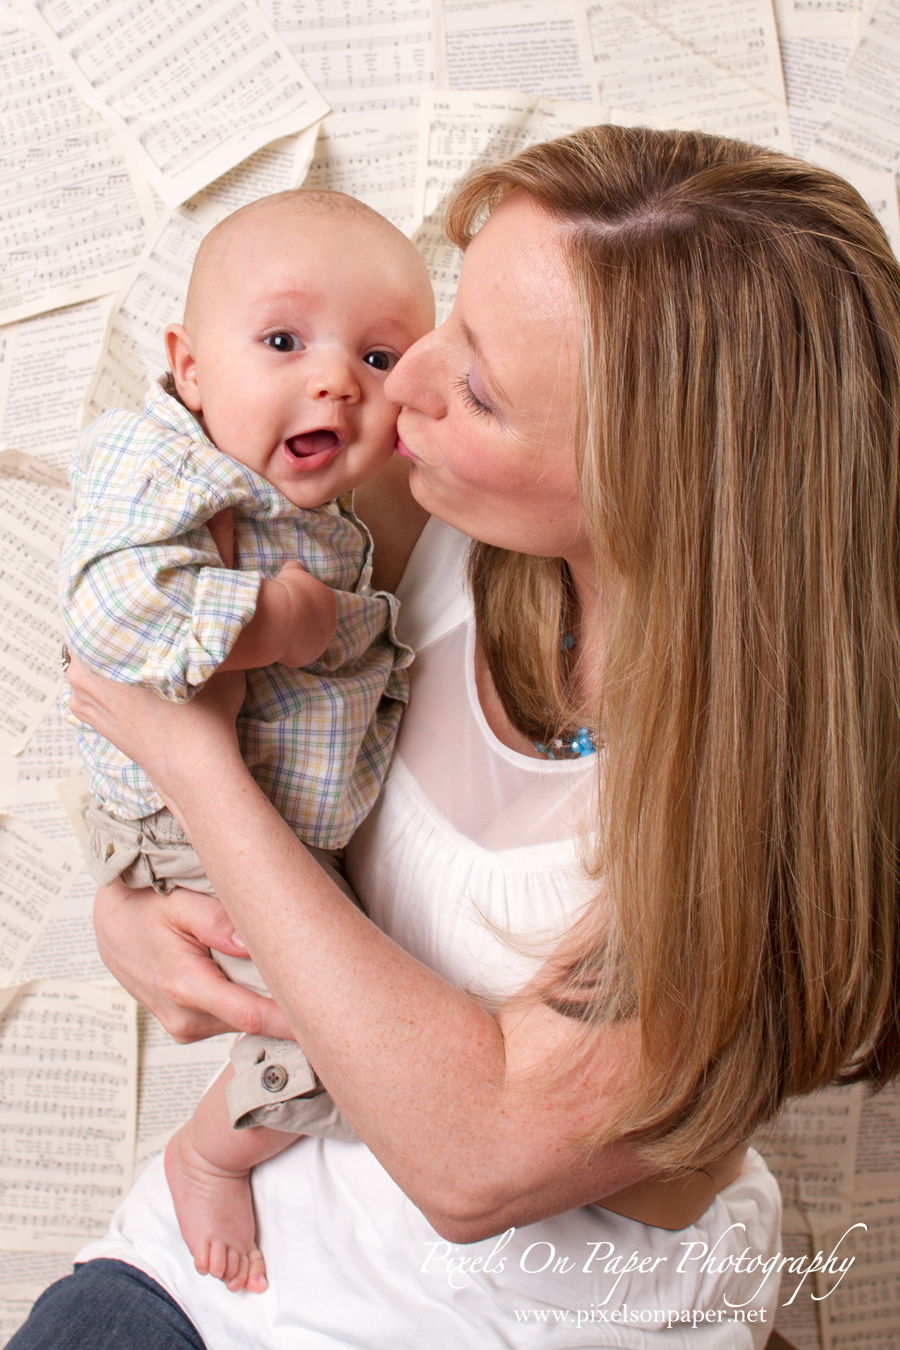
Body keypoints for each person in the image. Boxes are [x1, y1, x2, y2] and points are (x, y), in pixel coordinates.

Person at [18, 125, 900, 1349]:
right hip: (262, 1222)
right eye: (449, 318)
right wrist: (137, 914)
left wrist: (193, 767)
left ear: (659, 486)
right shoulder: (423, 502)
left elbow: (472, 1165)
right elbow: (132, 616)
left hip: (531, 1314)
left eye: (479, 384)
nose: (401, 381)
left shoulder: (772, 812)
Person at [57, 189, 435, 1293]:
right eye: (282, 341)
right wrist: (275, 621)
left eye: (377, 357)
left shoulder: (330, 507)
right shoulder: (167, 462)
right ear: (188, 366)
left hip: (259, 827)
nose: (334, 381)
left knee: (372, 1010)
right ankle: (209, 1160)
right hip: (187, 829)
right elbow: (109, 620)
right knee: (340, 1043)